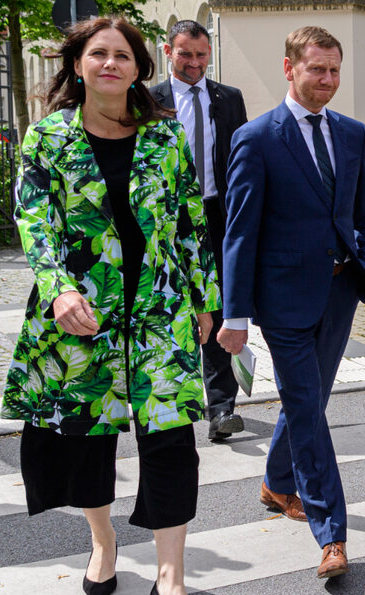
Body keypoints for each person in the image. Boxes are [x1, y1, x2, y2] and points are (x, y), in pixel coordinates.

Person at [2, 17, 219, 595]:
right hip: (83, 313)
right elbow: (35, 220)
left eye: (122, 55)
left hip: (160, 310)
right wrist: (57, 288)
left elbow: (188, 223)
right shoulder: (46, 138)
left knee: (171, 440)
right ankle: (103, 542)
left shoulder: (165, 138)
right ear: (78, 65)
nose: (110, 64)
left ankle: (171, 580)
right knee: (87, 439)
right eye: (98, 54)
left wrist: (205, 299)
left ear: (138, 69)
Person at [218, 26, 365, 579]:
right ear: (289, 69)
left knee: (309, 402)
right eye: (317, 70)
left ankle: (275, 482)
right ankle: (331, 533)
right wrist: (234, 315)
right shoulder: (257, 138)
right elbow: (239, 233)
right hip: (282, 300)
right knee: (308, 409)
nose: (328, 80)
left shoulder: (354, 133)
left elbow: (364, 212)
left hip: (338, 295)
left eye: (334, 70)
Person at [151, 20, 248, 441]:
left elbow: (240, 159)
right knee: (173, 306)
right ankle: (167, 397)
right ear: (169, 52)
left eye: (201, 55)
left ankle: (222, 407)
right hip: (166, 219)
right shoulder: (147, 99)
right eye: (186, 54)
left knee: (221, 305)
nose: (194, 63)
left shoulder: (229, 98)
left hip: (217, 214)